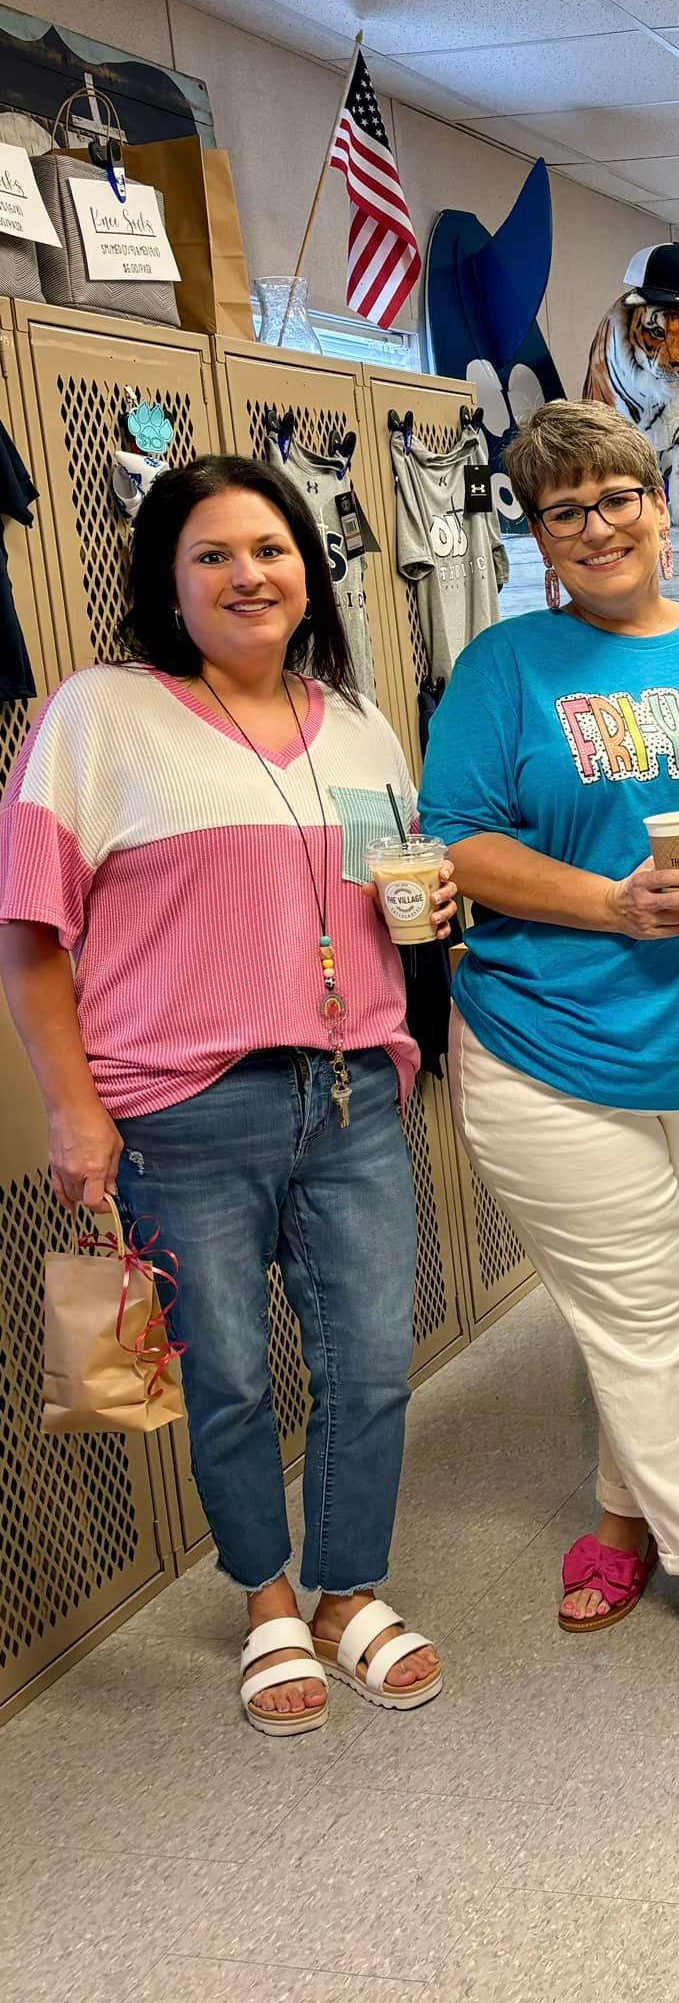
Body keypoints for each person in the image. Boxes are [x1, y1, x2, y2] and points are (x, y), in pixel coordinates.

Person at [0, 456, 455, 1735]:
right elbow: (29, 930)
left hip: (354, 1089)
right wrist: (72, 1108)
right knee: (233, 1375)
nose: (250, 573)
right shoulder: (101, 715)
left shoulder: (358, 719)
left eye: (271, 547)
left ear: (308, 567)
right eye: (213, 553)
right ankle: (264, 1597)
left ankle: (347, 1587)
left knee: (371, 1359)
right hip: (180, 1104)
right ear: (168, 580)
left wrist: (425, 907)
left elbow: (394, 887)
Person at [419, 400, 679, 1698]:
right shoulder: (505, 667)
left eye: (617, 498)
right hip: (551, 1047)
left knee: (673, 1311)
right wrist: (609, 903)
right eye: (562, 510)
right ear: (535, 534)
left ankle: (623, 1521)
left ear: (660, 502)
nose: (596, 526)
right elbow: (458, 842)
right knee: (642, 1316)